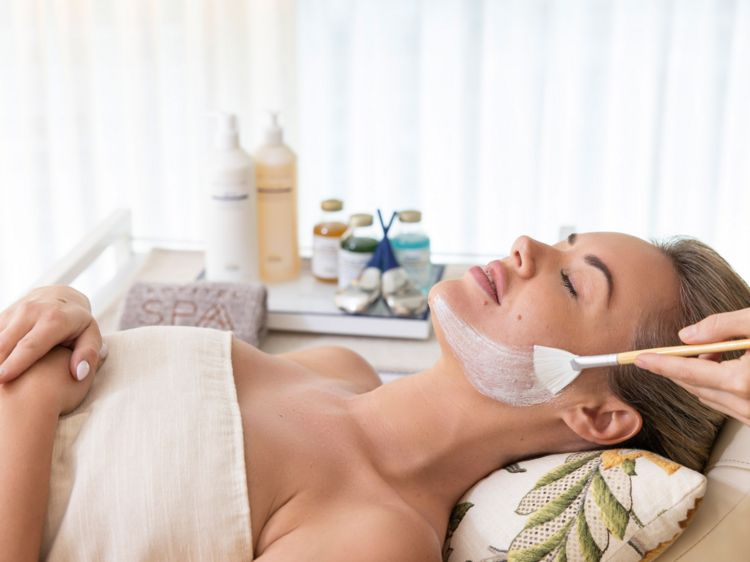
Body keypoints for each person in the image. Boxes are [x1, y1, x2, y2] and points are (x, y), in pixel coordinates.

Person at [1, 232, 748, 561]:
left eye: (571, 280)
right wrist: (56, 314)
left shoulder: (375, 539)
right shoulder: (334, 365)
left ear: (597, 416)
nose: (524, 246)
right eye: (561, 240)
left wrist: (31, 392)